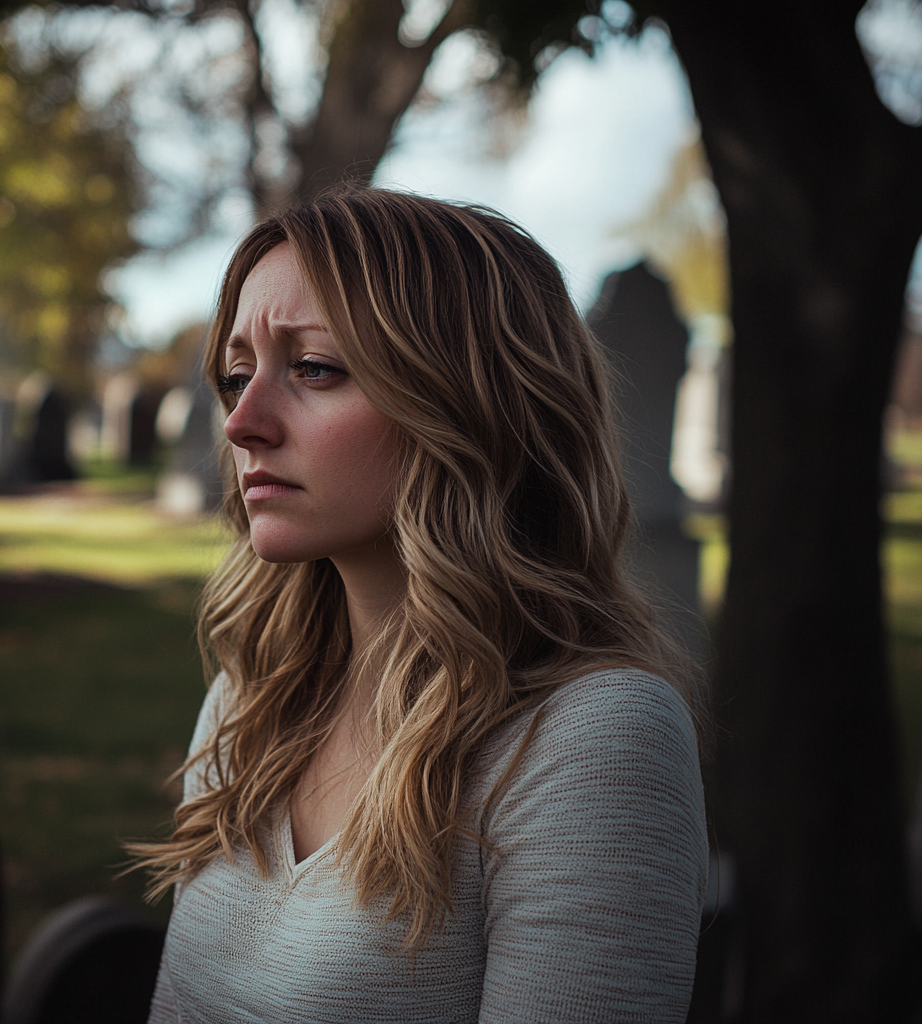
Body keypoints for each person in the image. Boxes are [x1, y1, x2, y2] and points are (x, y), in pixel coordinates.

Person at [134, 188, 708, 1023]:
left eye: (315, 368)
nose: (243, 422)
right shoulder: (250, 700)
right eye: (235, 375)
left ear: (467, 401)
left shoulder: (592, 742)